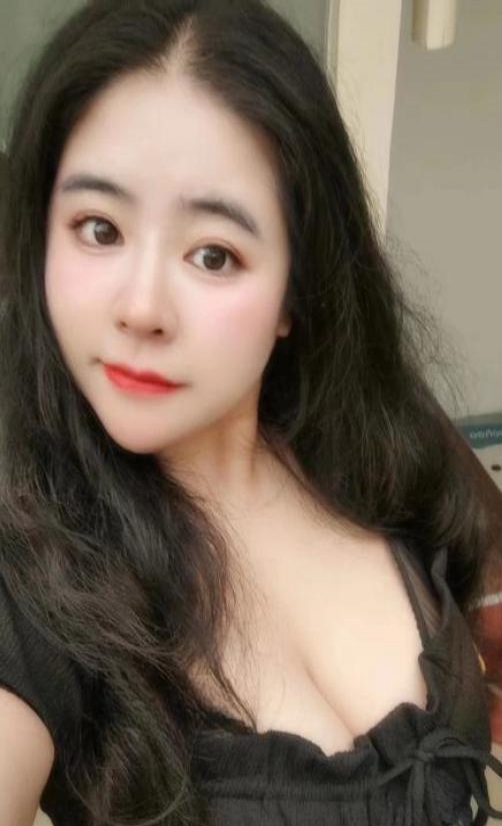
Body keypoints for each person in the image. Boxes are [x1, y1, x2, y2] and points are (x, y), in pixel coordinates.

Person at [0, 1, 501, 824]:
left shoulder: (364, 442)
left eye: (213, 254)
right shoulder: (30, 562)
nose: (141, 307)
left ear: (295, 291)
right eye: (99, 229)